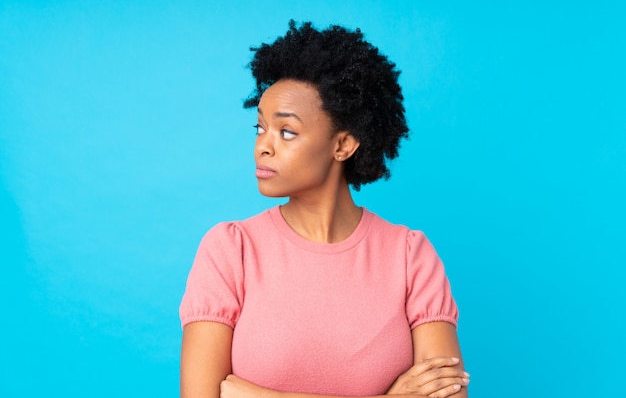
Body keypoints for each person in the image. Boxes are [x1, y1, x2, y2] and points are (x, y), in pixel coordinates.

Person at [179, 20, 469, 398]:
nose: (263, 147)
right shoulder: (231, 250)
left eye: (286, 132)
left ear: (343, 145)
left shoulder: (410, 256)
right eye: (260, 128)